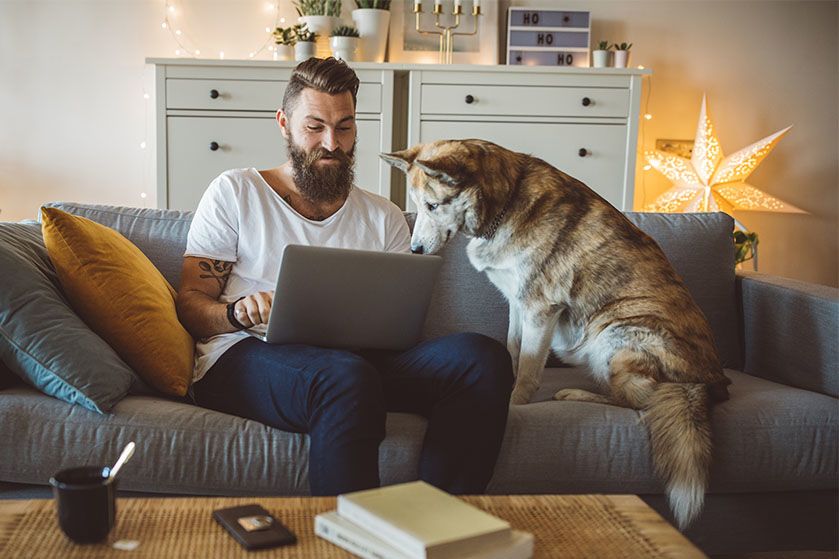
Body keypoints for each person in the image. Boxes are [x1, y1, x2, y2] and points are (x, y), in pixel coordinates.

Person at [176, 57, 513, 496]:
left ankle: (438, 520)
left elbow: (400, 325)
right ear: (284, 124)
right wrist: (238, 313)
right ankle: (347, 538)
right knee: (344, 375)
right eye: (314, 127)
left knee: (482, 358)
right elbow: (191, 305)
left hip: (358, 364)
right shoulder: (236, 191)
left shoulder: (385, 216)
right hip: (245, 354)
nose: (331, 143)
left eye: (345, 127)